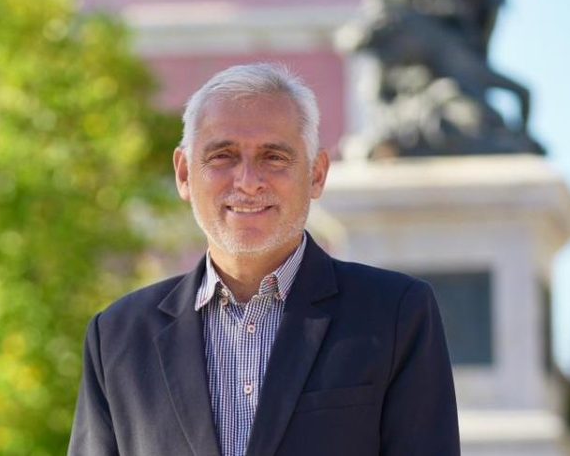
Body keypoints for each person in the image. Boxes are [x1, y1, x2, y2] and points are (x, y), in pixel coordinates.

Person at [68, 63, 460, 456]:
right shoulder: (117, 338)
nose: (248, 181)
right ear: (185, 174)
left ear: (317, 174)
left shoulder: (396, 314)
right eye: (223, 155)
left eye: (274, 157)